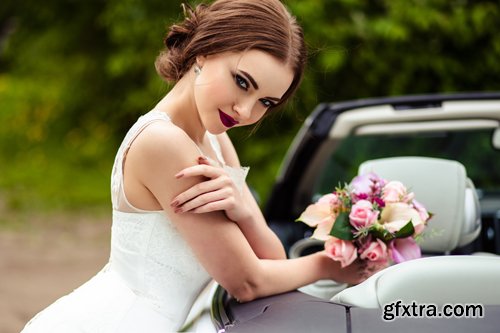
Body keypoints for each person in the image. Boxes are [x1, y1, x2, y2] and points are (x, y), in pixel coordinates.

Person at [21, 0, 370, 332]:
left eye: (265, 101)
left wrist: (245, 211)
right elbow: (247, 282)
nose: (246, 111)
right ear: (205, 49)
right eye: (242, 82)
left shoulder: (216, 139)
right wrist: (329, 265)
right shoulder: (163, 142)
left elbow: (273, 262)